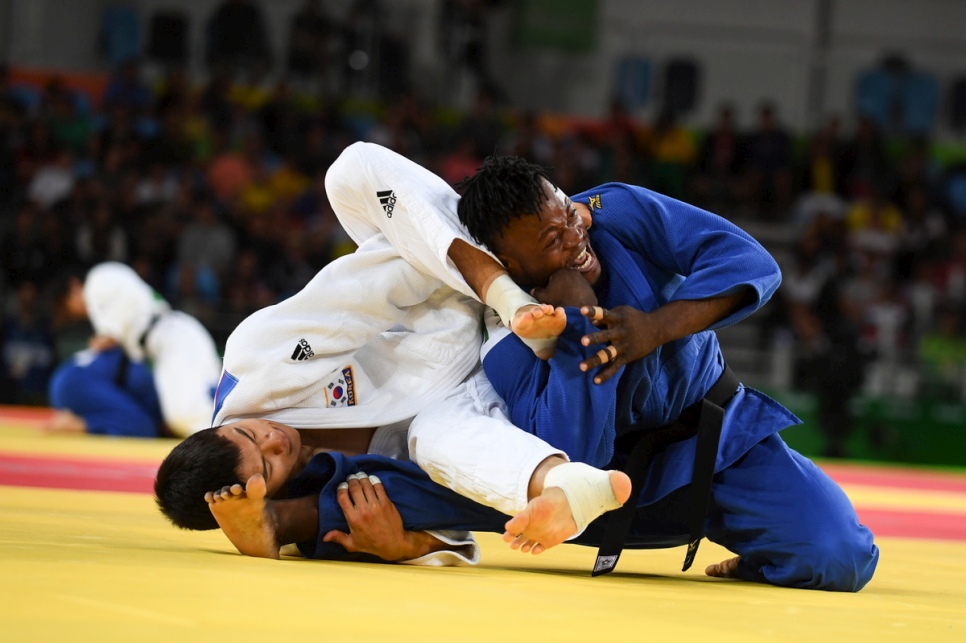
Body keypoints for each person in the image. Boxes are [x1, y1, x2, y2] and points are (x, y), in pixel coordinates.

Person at [404, 154, 877, 591]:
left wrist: (656, 327)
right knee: (377, 496)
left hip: (712, 448)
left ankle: (760, 556)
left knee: (843, 555)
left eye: (567, 214)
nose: (575, 237)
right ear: (512, 267)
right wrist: (580, 327)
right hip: (602, 494)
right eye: (552, 241)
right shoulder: (507, 329)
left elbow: (751, 262)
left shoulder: (611, 211)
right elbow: (571, 455)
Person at [49, 262, 222, 437]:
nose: (72, 312)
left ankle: (225, 440)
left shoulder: (98, 279)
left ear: (73, 286)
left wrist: (110, 332)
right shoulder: (102, 299)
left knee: (183, 415)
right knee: (199, 403)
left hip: (174, 336)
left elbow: (131, 296)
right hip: (168, 341)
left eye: (66, 305)